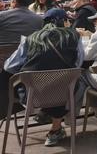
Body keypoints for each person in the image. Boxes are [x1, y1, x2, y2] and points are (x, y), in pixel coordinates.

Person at [4, 8, 84, 147]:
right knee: (77, 81)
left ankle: (46, 114)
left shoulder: (30, 39)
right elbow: (78, 63)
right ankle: (56, 128)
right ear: (64, 21)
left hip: (32, 96)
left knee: (42, 83)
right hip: (64, 95)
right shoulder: (74, 37)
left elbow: (9, 66)